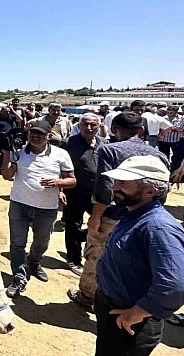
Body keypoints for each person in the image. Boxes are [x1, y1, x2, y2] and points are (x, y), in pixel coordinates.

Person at [68, 112, 169, 312]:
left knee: (96, 255)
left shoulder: (109, 150)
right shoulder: (160, 155)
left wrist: (96, 217)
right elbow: (162, 191)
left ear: (114, 130)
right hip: (145, 217)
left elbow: (105, 188)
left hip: (113, 216)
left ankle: (87, 295)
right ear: (141, 131)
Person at [93, 155, 184, 356]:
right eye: (116, 181)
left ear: (150, 191)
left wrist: (135, 314)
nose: (114, 187)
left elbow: (174, 286)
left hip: (132, 323)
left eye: (124, 183)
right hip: (112, 309)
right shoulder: (133, 213)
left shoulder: (158, 227)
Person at [0, 120, 76, 298]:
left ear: (48, 136)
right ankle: (19, 277)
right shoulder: (18, 152)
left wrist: (58, 183)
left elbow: (72, 180)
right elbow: (7, 176)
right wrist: (6, 154)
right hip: (19, 205)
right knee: (17, 243)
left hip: (46, 208)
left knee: (42, 242)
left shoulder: (61, 154)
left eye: (40, 133)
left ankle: (33, 262)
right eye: (32, 132)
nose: (35, 136)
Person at [63, 113, 105, 276]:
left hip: (98, 193)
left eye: (93, 125)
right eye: (85, 124)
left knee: (102, 223)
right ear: (79, 126)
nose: (89, 128)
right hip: (75, 192)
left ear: (99, 126)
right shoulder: (69, 144)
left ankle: (81, 238)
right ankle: (73, 259)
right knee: (73, 225)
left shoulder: (104, 143)